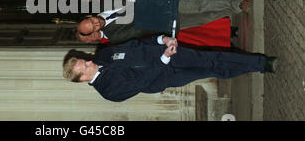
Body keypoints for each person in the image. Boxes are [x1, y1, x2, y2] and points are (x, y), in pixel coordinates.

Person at [62, 37, 277, 102]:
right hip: (166, 74)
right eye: (86, 66)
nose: (91, 61)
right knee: (213, 69)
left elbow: (135, 44)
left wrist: (160, 39)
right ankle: (254, 66)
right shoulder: (108, 90)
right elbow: (142, 81)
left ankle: (261, 63)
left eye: (85, 60)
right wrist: (164, 60)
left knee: (211, 58)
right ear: (82, 79)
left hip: (166, 52)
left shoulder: (104, 55)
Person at [75, 0, 250, 45]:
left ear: (89, 16)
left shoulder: (106, 1)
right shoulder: (114, 36)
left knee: (198, 6)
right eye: (94, 28)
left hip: (160, 3)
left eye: (93, 21)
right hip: (163, 23)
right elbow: (137, 30)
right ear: (95, 32)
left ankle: (236, 4)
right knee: (203, 18)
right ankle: (231, 9)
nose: (97, 23)